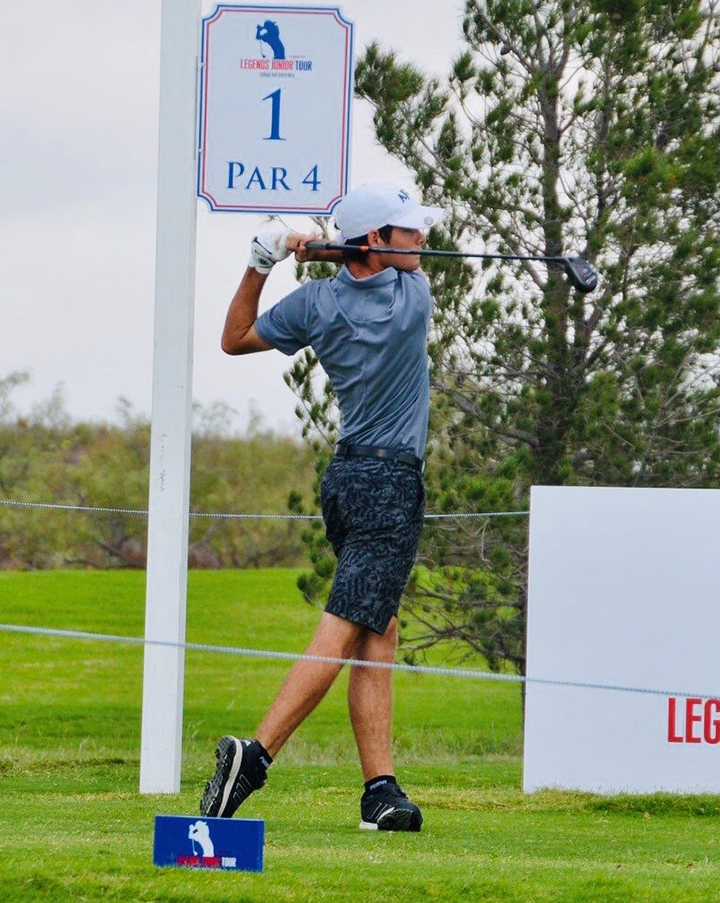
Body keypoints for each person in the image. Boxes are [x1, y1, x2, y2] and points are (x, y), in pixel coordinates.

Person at [199, 182, 443, 831]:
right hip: (389, 485)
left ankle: (380, 790)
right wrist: (329, 250)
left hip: (344, 480)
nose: (420, 239)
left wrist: (265, 256)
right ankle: (253, 757)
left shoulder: (317, 302)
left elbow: (236, 335)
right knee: (343, 628)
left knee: (376, 629)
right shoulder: (410, 297)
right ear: (374, 243)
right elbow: (373, 269)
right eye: (406, 231)